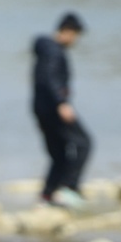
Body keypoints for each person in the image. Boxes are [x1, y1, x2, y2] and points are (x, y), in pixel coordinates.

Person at [31, 12, 92, 209]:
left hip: (41, 109)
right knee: (84, 143)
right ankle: (68, 189)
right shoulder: (54, 51)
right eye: (75, 35)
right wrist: (62, 103)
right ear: (67, 31)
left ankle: (48, 194)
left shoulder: (45, 48)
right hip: (54, 109)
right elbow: (49, 77)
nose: (75, 41)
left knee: (59, 153)